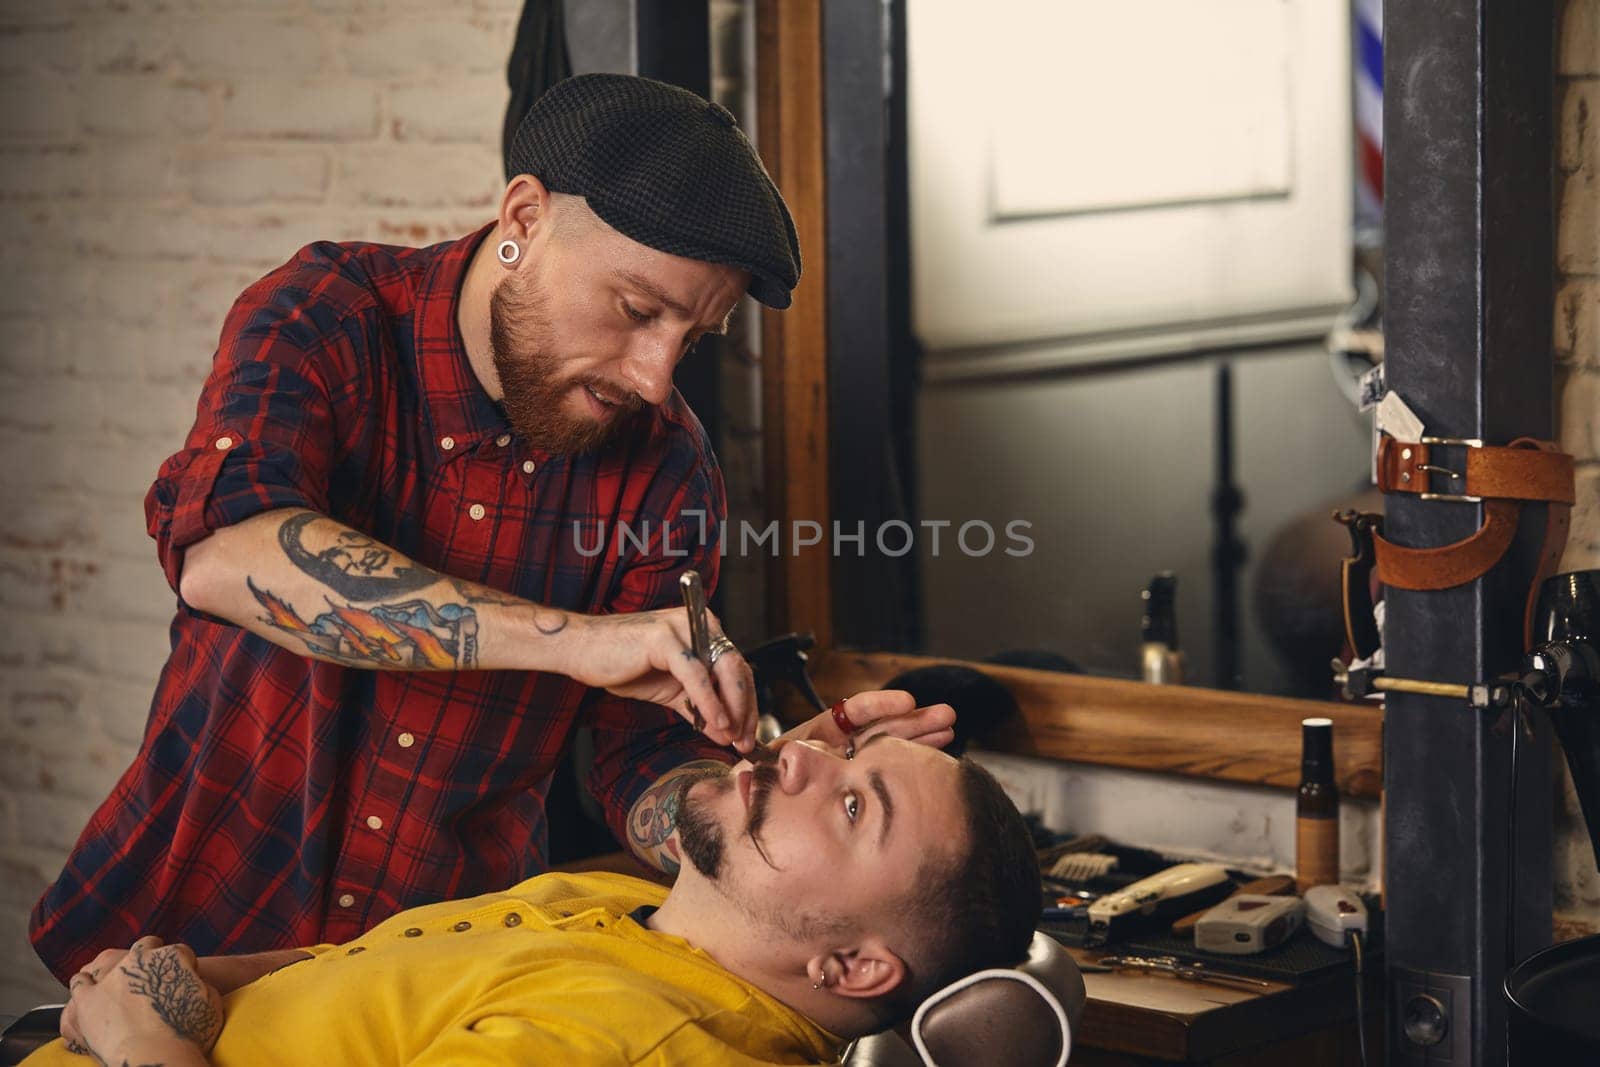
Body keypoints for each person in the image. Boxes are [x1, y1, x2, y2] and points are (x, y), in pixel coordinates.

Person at [31, 73, 950, 984]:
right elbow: (228, 556)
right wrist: (575, 643)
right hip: (173, 939)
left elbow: (642, 767)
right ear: (524, 219)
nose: (657, 377)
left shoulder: (669, 473)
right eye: (637, 311)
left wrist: (765, 800)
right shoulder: (327, 315)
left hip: (431, 986)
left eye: (692, 337)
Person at [28, 727, 1042, 1067]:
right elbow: (375, 976)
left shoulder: (635, 1042)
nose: (809, 752)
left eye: (855, 802)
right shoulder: (619, 908)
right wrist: (161, 985)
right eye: (849, 752)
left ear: (855, 966)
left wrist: (139, 1049)